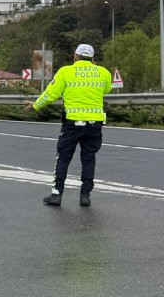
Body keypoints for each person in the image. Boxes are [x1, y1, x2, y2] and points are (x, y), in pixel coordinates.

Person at [25, 43, 113, 207]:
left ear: (75, 55)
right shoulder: (103, 72)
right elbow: (106, 90)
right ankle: (85, 196)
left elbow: (51, 94)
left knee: (63, 157)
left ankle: (56, 195)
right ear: (93, 58)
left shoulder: (66, 71)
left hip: (72, 124)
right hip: (95, 124)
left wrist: (36, 105)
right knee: (88, 159)